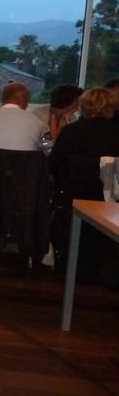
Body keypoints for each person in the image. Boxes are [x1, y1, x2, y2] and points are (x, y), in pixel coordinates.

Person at [50, 88, 119, 280]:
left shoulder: (71, 131)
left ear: (84, 107)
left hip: (75, 195)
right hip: (111, 199)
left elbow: (54, 165)